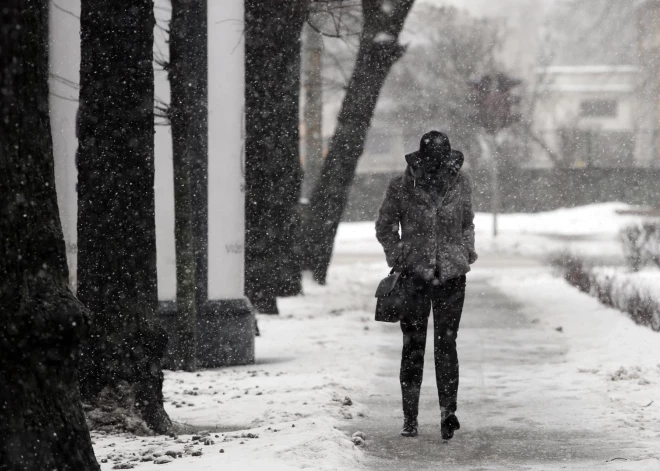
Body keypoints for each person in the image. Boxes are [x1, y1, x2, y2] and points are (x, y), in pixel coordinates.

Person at [375, 131, 477, 440]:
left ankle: (448, 412)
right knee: (414, 346)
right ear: (420, 158)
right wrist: (399, 256)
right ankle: (410, 418)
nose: (436, 167)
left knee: (447, 345)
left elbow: (467, 221)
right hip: (414, 277)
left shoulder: (460, 182)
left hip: (451, 276)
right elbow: (385, 226)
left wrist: (465, 251)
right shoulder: (402, 185)